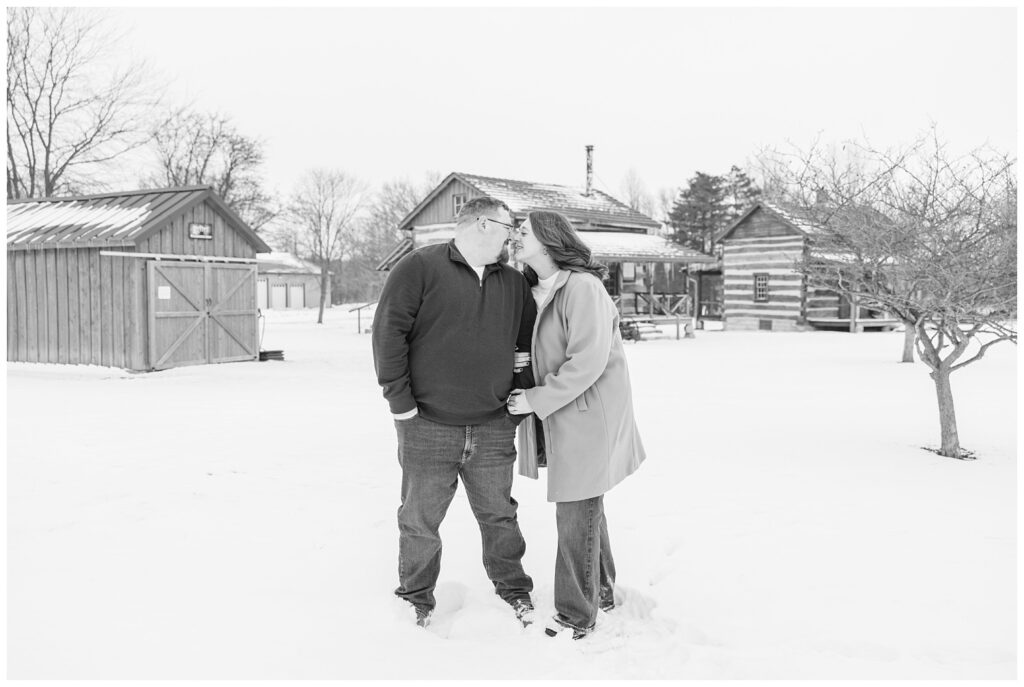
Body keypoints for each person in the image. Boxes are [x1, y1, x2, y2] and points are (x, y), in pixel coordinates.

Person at [371, 196, 537, 630]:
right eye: (509, 226)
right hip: (427, 423)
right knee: (420, 519)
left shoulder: (514, 283)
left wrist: (515, 406)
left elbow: (525, 348)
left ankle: (514, 591)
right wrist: (401, 403)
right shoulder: (419, 268)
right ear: (483, 224)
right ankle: (415, 600)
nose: (513, 234)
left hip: (493, 424)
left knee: (500, 515)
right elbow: (389, 334)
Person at [506, 210, 646, 640]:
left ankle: (575, 614)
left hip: (588, 416)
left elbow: (587, 361)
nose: (515, 237)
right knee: (586, 508)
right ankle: (600, 590)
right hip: (564, 414)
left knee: (575, 512)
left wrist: (533, 398)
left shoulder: (582, 287)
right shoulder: (532, 290)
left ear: (548, 241)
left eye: (523, 231)